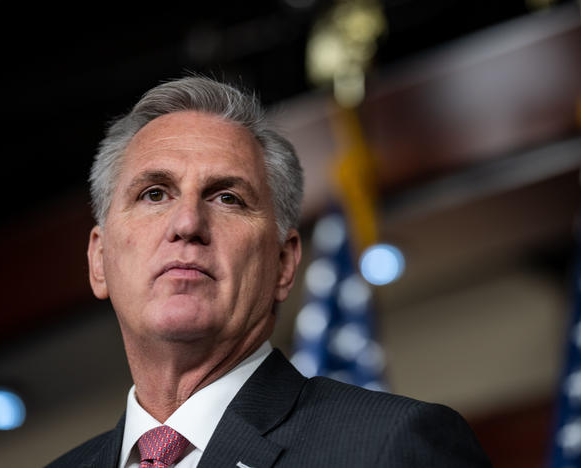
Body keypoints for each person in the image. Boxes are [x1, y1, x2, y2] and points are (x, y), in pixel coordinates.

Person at [47, 76, 492, 468]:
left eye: (227, 198)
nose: (187, 224)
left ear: (283, 264)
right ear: (98, 261)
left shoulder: (394, 446)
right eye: (155, 193)